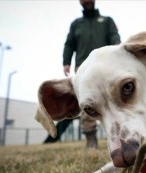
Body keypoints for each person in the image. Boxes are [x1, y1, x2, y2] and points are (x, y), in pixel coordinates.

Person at [44, 0, 121, 148]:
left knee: (113, 98)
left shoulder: (106, 21)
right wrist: (66, 61)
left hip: (106, 64)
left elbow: (114, 37)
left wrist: (118, 54)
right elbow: (69, 44)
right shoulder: (76, 24)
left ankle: (120, 135)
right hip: (82, 67)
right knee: (87, 101)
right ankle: (91, 139)